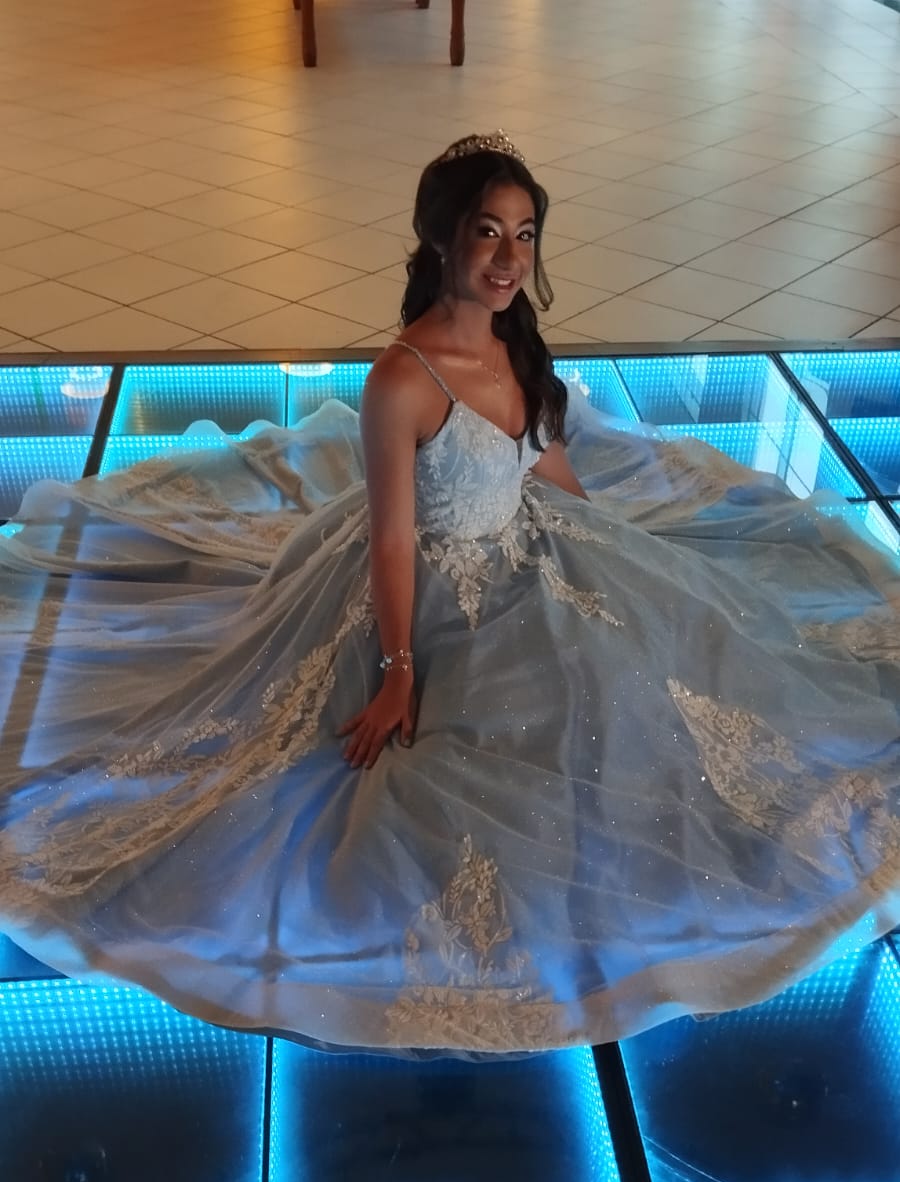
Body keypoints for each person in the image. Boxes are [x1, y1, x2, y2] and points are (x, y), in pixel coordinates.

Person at [0, 131, 897, 1056]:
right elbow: (393, 537)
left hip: (532, 540)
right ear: (440, 239)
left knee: (661, 661)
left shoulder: (513, 342)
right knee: (498, 735)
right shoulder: (401, 378)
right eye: (487, 232)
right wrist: (398, 670)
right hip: (426, 578)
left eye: (525, 234)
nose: (510, 259)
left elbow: (540, 456)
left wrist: (618, 548)